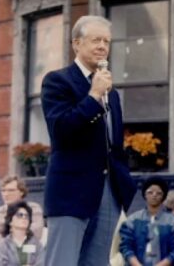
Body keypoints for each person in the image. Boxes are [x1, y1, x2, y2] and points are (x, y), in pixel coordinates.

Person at [40, 15, 136, 265]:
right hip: (71, 192)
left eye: (106, 41)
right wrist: (93, 95)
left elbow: (115, 146)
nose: (103, 46)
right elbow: (61, 130)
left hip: (108, 192)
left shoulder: (112, 93)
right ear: (76, 44)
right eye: (95, 40)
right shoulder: (57, 81)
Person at [119, 177, 174, 266]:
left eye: (158, 193)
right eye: (150, 192)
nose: (154, 195)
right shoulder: (132, 220)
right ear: (145, 195)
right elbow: (126, 247)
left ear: (163, 196)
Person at [0, 175, 46, 245]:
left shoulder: (34, 208)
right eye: (3, 191)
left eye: (11, 190)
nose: (6, 194)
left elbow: (36, 231)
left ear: (21, 192)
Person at [0, 201, 46, 266]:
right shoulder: (2, 245)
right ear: (10, 221)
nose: (24, 218)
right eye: (20, 215)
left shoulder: (37, 244)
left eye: (27, 216)